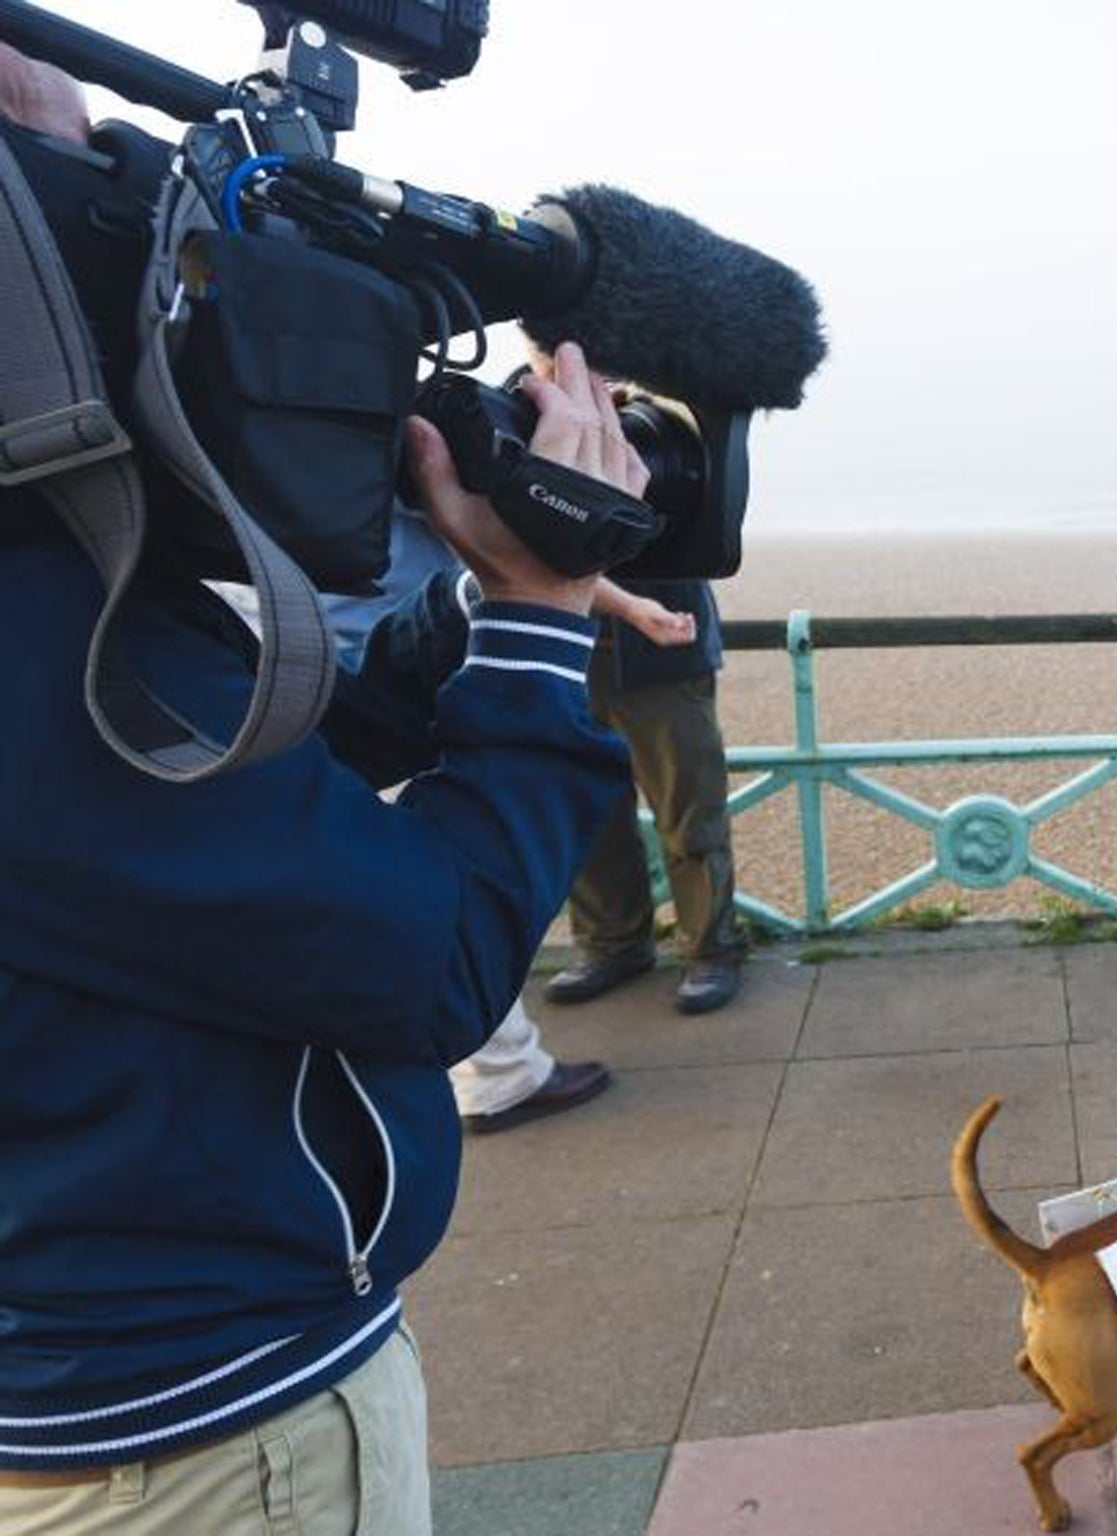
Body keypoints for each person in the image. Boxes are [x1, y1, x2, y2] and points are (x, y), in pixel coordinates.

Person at [0, 46, 645, 1530]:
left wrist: (471, 620)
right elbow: (432, 964)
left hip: (83, 1358)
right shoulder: (52, 655)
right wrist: (544, 625)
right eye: (61, 150)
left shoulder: (69, 617)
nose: (128, 197)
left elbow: (226, 822)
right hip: (208, 1429)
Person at [326, 502, 696, 1135]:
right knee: (443, 906)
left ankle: (504, 1070)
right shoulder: (386, 464)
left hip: (343, 674)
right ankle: (503, 1076)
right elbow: (507, 547)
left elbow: (507, 560)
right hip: (401, 677)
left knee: (415, 905)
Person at [543, 572, 746, 1015]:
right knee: (588, 815)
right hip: (562, 647)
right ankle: (612, 944)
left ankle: (712, 949)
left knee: (690, 811)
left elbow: (711, 534)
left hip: (664, 642)